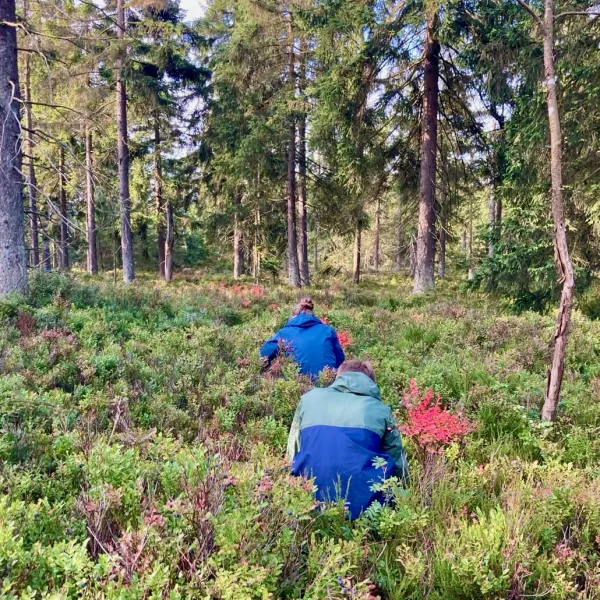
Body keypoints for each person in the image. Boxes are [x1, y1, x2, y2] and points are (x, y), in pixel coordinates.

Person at [286, 360, 408, 519]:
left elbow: (292, 450)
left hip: (307, 503)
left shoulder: (308, 400)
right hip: (364, 511)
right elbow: (398, 462)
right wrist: (406, 494)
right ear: (370, 382)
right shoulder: (380, 410)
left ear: (339, 377)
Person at [260, 297, 345, 379]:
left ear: (293, 316)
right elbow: (340, 359)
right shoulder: (328, 330)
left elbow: (262, 355)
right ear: (313, 315)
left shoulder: (284, 333)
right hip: (329, 384)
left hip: (297, 386)